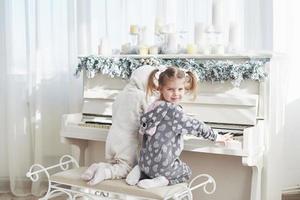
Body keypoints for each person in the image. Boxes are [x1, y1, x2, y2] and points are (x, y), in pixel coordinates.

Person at [125, 66, 232, 189]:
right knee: (186, 172)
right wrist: (216, 136)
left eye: (180, 89)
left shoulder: (154, 106)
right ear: (160, 88)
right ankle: (161, 180)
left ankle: (139, 170)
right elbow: (195, 126)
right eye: (171, 89)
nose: (176, 93)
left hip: (145, 162)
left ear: (184, 88)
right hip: (161, 168)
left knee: (153, 160)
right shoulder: (173, 111)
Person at [81, 65, 156, 185]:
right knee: (126, 168)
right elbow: (150, 117)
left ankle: (97, 167)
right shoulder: (141, 96)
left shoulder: (121, 95)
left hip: (112, 138)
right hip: (127, 140)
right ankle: (104, 174)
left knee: (114, 164)